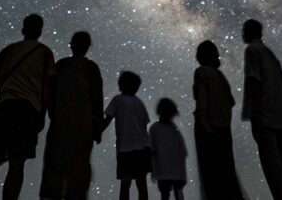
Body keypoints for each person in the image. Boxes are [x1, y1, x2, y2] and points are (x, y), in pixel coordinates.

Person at [0, 14, 57, 200]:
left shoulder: (9, 50)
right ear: (40, 31)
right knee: (17, 162)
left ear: (23, 29)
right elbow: (46, 89)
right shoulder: (45, 53)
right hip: (28, 110)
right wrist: (42, 115)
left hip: (3, 107)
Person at [241, 19, 282, 200]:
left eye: (244, 30)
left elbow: (254, 82)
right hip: (280, 116)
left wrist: (254, 112)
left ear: (249, 32)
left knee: (273, 166)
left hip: (265, 116)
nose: (242, 33)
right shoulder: (269, 54)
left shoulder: (252, 51)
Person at [39, 31, 104, 200]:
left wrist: (51, 114)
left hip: (60, 125)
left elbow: (49, 94)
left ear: (71, 44)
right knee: (78, 170)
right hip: (83, 126)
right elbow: (97, 99)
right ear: (88, 47)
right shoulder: (91, 68)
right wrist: (97, 127)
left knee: (54, 168)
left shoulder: (60, 65)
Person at [192, 41, 244, 200]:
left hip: (209, 129)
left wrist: (202, 121)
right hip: (224, 130)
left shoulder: (201, 72)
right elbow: (232, 101)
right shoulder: (220, 75)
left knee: (212, 177)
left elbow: (202, 98)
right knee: (227, 173)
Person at [101, 71, 152, 200]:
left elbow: (107, 119)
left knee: (125, 184)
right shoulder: (139, 103)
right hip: (143, 149)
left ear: (121, 84)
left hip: (125, 149)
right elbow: (144, 125)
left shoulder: (118, 100)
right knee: (142, 184)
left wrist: (96, 132)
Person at [149, 98, 188, 200]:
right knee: (178, 193)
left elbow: (151, 151)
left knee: (165, 195)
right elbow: (182, 152)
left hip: (162, 170)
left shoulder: (154, 129)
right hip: (176, 171)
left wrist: (153, 170)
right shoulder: (174, 130)